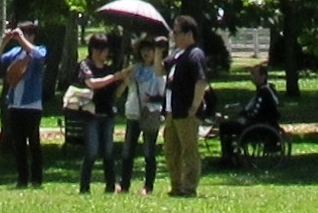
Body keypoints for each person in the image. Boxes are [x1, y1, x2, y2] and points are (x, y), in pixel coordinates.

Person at [163, 15, 209, 198]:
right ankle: (176, 185)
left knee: (189, 151)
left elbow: (201, 81)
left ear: (188, 33)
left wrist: (194, 106)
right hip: (171, 111)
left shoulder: (195, 54)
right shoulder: (176, 55)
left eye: (176, 32)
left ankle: (189, 187)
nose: (174, 36)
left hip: (186, 112)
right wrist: (159, 50)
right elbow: (160, 70)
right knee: (171, 150)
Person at [75, 33, 126, 193]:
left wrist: (124, 80)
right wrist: (114, 77)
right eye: (103, 50)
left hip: (108, 114)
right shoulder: (85, 65)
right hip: (91, 115)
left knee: (108, 153)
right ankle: (84, 187)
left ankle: (110, 186)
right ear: (95, 50)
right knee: (92, 152)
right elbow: (92, 84)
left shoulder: (109, 69)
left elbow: (116, 94)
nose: (106, 54)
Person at [0, 21, 46, 188]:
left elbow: (40, 58)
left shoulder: (38, 50)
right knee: (18, 144)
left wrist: (22, 40)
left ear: (31, 36)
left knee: (33, 141)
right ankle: (22, 179)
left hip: (32, 104)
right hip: (14, 104)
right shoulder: (14, 53)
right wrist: (4, 41)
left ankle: (37, 179)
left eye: (24, 34)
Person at [119, 35, 168, 194]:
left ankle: (148, 186)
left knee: (149, 152)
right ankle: (124, 184)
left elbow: (163, 94)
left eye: (150, 50)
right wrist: (126, 79)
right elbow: (123, 89)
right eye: (143, 50)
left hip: (150, 113)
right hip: (133, 112)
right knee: (127, 152)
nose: (146, 53)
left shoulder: (158, 70)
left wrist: (151, 98)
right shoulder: (135, 69)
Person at [218, 62, 280, 163]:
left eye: (255, 75)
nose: (252, 77)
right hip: (262, 124)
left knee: (224, 127)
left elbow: (255, 112)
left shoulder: (264, 92)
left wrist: (243, 116)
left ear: (263, 76)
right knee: (228, 125)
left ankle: (228, 157)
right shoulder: (266, 90)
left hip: (259, 127)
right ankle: (229, 155)